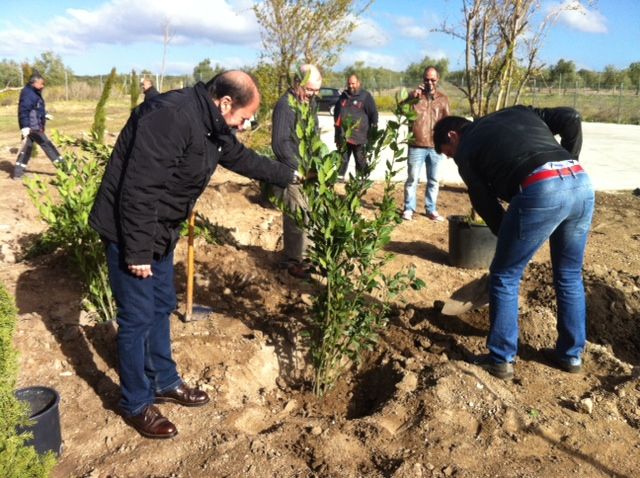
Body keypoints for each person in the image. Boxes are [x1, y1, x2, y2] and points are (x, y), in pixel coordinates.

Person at [89, 71, 301, 439]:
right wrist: (137, 251)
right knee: (137, 317)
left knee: (160, 304)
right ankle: (136, 402)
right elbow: (138, 190)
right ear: (225, 103)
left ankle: (164, 380)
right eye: (245, 116)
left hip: (161, 229)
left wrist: (290, 175)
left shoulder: (212, 124)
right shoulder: (170, 116)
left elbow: (240, 156)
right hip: (131, 231)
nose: (247, 123)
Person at [433, 106, 594, 380]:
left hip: (541, 188)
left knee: (504, 276)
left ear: (452, 135)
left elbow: (484, 203)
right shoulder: (519, 112)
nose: (452, 157)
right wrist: (570, 158)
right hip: (581, 183)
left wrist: (507, 239)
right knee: (568, 275)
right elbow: (572, 117)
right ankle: (570, 355)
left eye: (447, 151)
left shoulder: (468, 148)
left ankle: (500, 359)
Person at [272, 64, 322, 279]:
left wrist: (318, 165)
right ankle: (293, 261)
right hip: (293, 172)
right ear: (297, 83)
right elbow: (280, 144)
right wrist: (300, 169)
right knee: (296, 218)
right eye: (310, 90)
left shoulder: (308, 104)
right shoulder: (286, 106)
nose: (313, 95)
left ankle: (307, 259)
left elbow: (314, 136)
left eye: (316, 91)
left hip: (309, 172)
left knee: (309, 216)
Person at [402, 66, 450, 222]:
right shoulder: (415, 97)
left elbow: (447, 122)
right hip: (416, 144)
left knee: (434, 180)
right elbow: (400, 110)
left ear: (438, 80)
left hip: (435, 146)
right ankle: (409, 208)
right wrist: (410, 98)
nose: (429, 82)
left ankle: (431, 209)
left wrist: (446, 144)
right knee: (412, 179)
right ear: (423, 79)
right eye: (426, 79)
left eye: (433, 79)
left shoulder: (443, 99)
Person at [13, 71, 64, 180]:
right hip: (32, 127)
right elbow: (24, 111)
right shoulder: (28, 93)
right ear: (34, 83)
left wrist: (45, 114)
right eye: (41, 84)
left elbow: (36, 108)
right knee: (48, 146)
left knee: (26, 149)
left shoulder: (34, 92)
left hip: (35, 126)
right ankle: (65, 168)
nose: (43, 86)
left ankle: (18, 173)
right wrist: (25, 127)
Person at [333, 74, 378, 179]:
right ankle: (339, 180)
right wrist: (337, 133)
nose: (350, 86)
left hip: (360, 136)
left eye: (353, 83)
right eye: (349, 83)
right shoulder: (343, 96)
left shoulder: (365, 96)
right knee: (342, 160)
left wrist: (373, 131)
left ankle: (360, 180)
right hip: (344, 136)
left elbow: (373, 114)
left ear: (358, 83)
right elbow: (336, 114)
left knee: (360, 160)